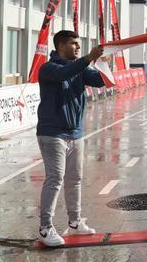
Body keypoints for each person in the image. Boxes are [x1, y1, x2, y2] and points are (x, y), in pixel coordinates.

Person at [36, 30, 106, 247]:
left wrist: (103, 62)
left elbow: (102, 82)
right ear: (61, 46)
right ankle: (45, 228)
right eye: (74, 44)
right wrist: (89, 58)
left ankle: (75, 223)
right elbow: (63, 74)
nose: (78, 47)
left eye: (79, 44)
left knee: (74, 180)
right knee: (55, 179)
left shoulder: (80, 68)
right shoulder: (48, 69)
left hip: (76, 133)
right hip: (52, 134)